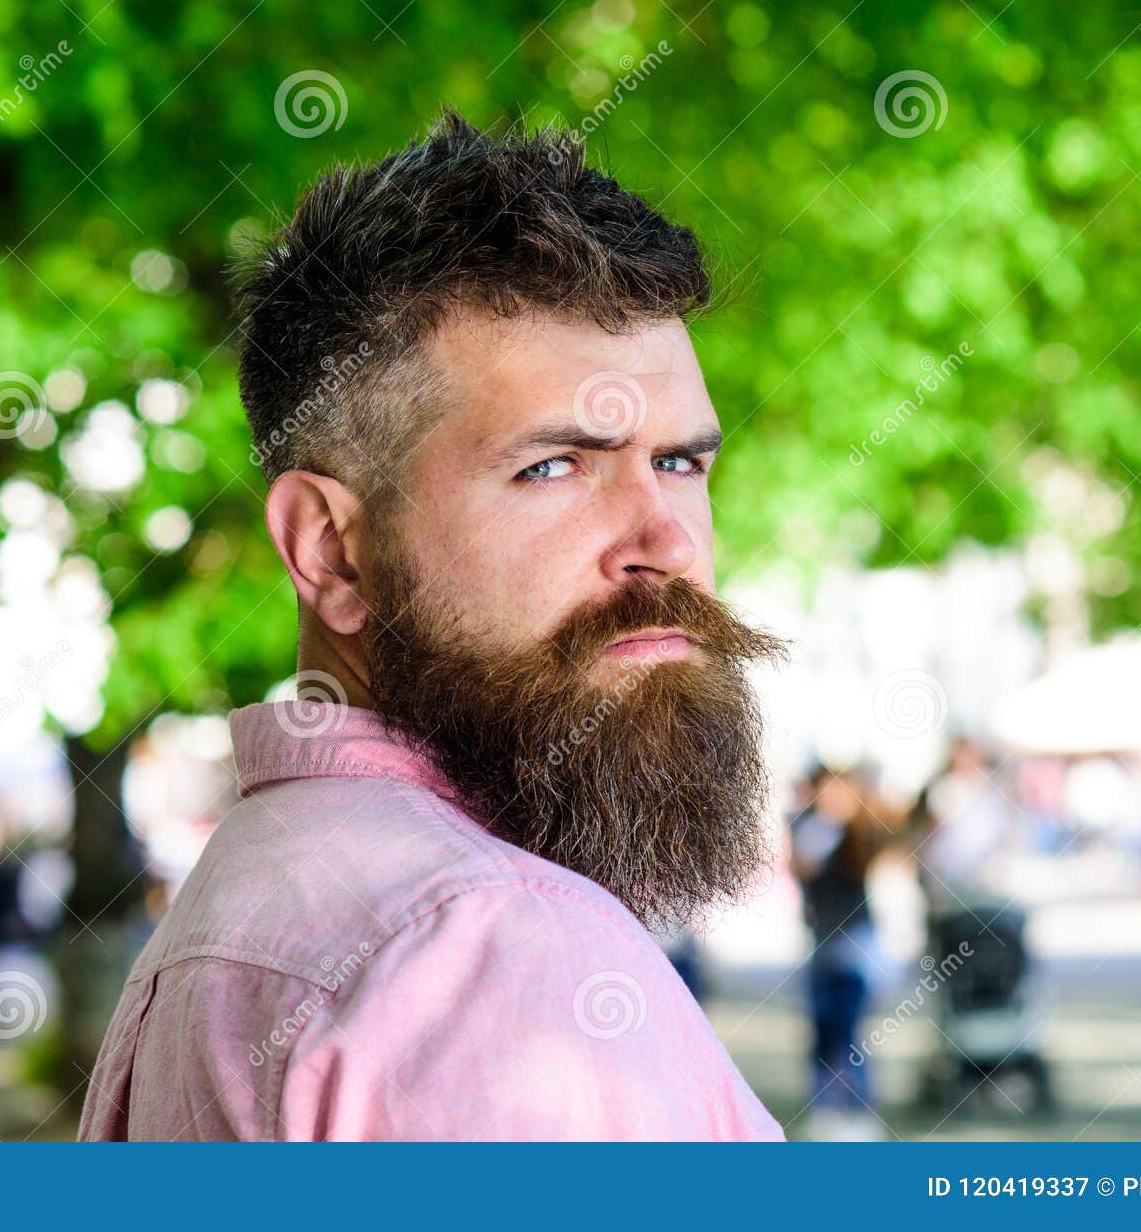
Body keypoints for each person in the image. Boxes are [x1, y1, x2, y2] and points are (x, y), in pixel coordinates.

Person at [80, 111, 788, 1142]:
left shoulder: (258, 897)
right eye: (553, 466)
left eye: (679, 462)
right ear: (328, 548)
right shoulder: (492, 948)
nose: (666, 543)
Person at [788, 766, 892, 1139]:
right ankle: (825, 1109)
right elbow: (801, 868)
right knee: (823, 1028)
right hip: (822, 945)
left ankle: (857, 1108)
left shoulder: (858, 834)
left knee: (848, 1030)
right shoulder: (809, 829)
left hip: (853, 948)